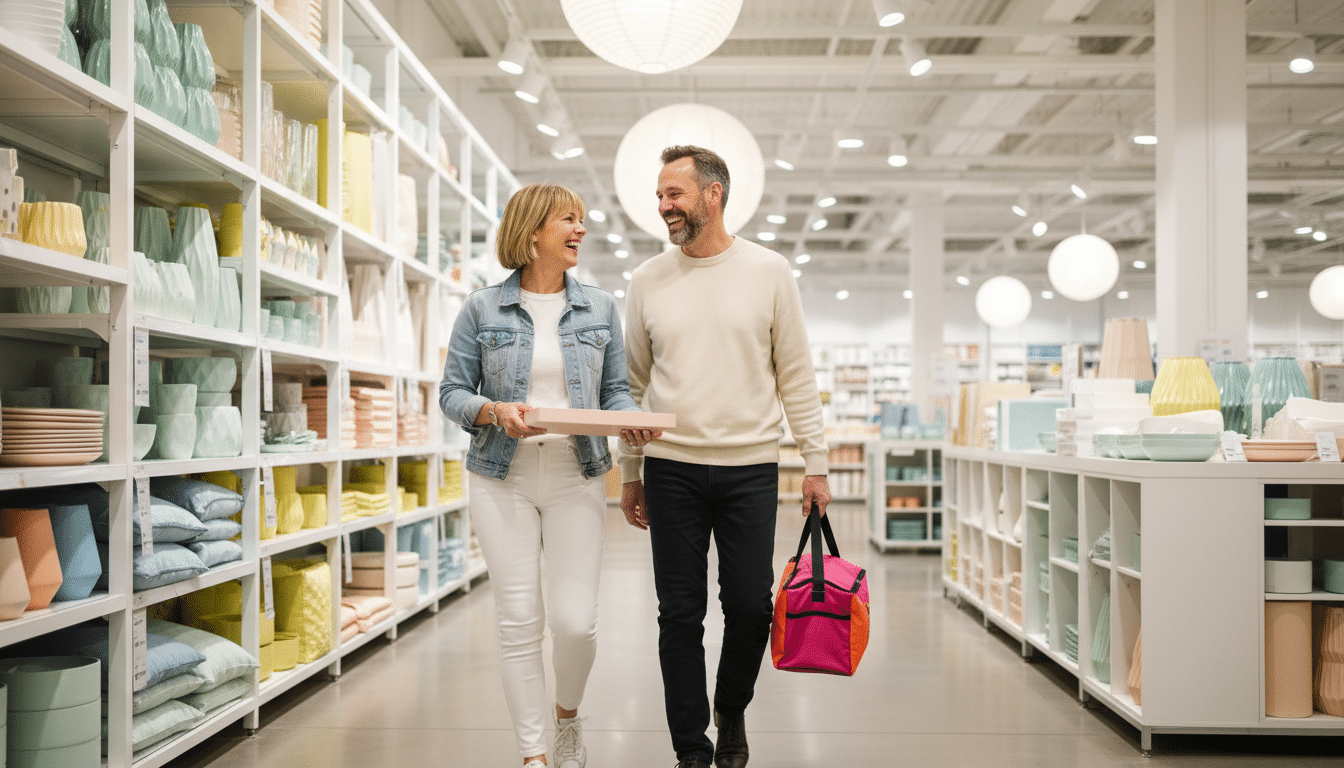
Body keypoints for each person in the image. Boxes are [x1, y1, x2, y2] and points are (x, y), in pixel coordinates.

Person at [618, 146, 833, 768]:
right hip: (671, 469)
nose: (664, 207)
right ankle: (691, 748)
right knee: (679, 614)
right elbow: (632, 385)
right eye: (660, 196)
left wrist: (815, 464)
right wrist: (630, 473)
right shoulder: (647, 280)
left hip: (750, 469)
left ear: (714, 194)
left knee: (748, 606)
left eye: (674, 194)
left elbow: (796, 374)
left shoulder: (769, 272)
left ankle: (730, 704)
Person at [439, 182, 660, 768]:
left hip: (576, 472)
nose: (580, 230)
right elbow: (451, 393)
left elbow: (615, 392)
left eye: (582, 220)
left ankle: (567, 717)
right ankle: (534, 753)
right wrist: (492, 411)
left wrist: (631, 423)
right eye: (569, 219)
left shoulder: (599, 307)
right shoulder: (482, 308)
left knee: (575, 623)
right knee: (518, 621)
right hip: (499, 475)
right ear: (534, 230)